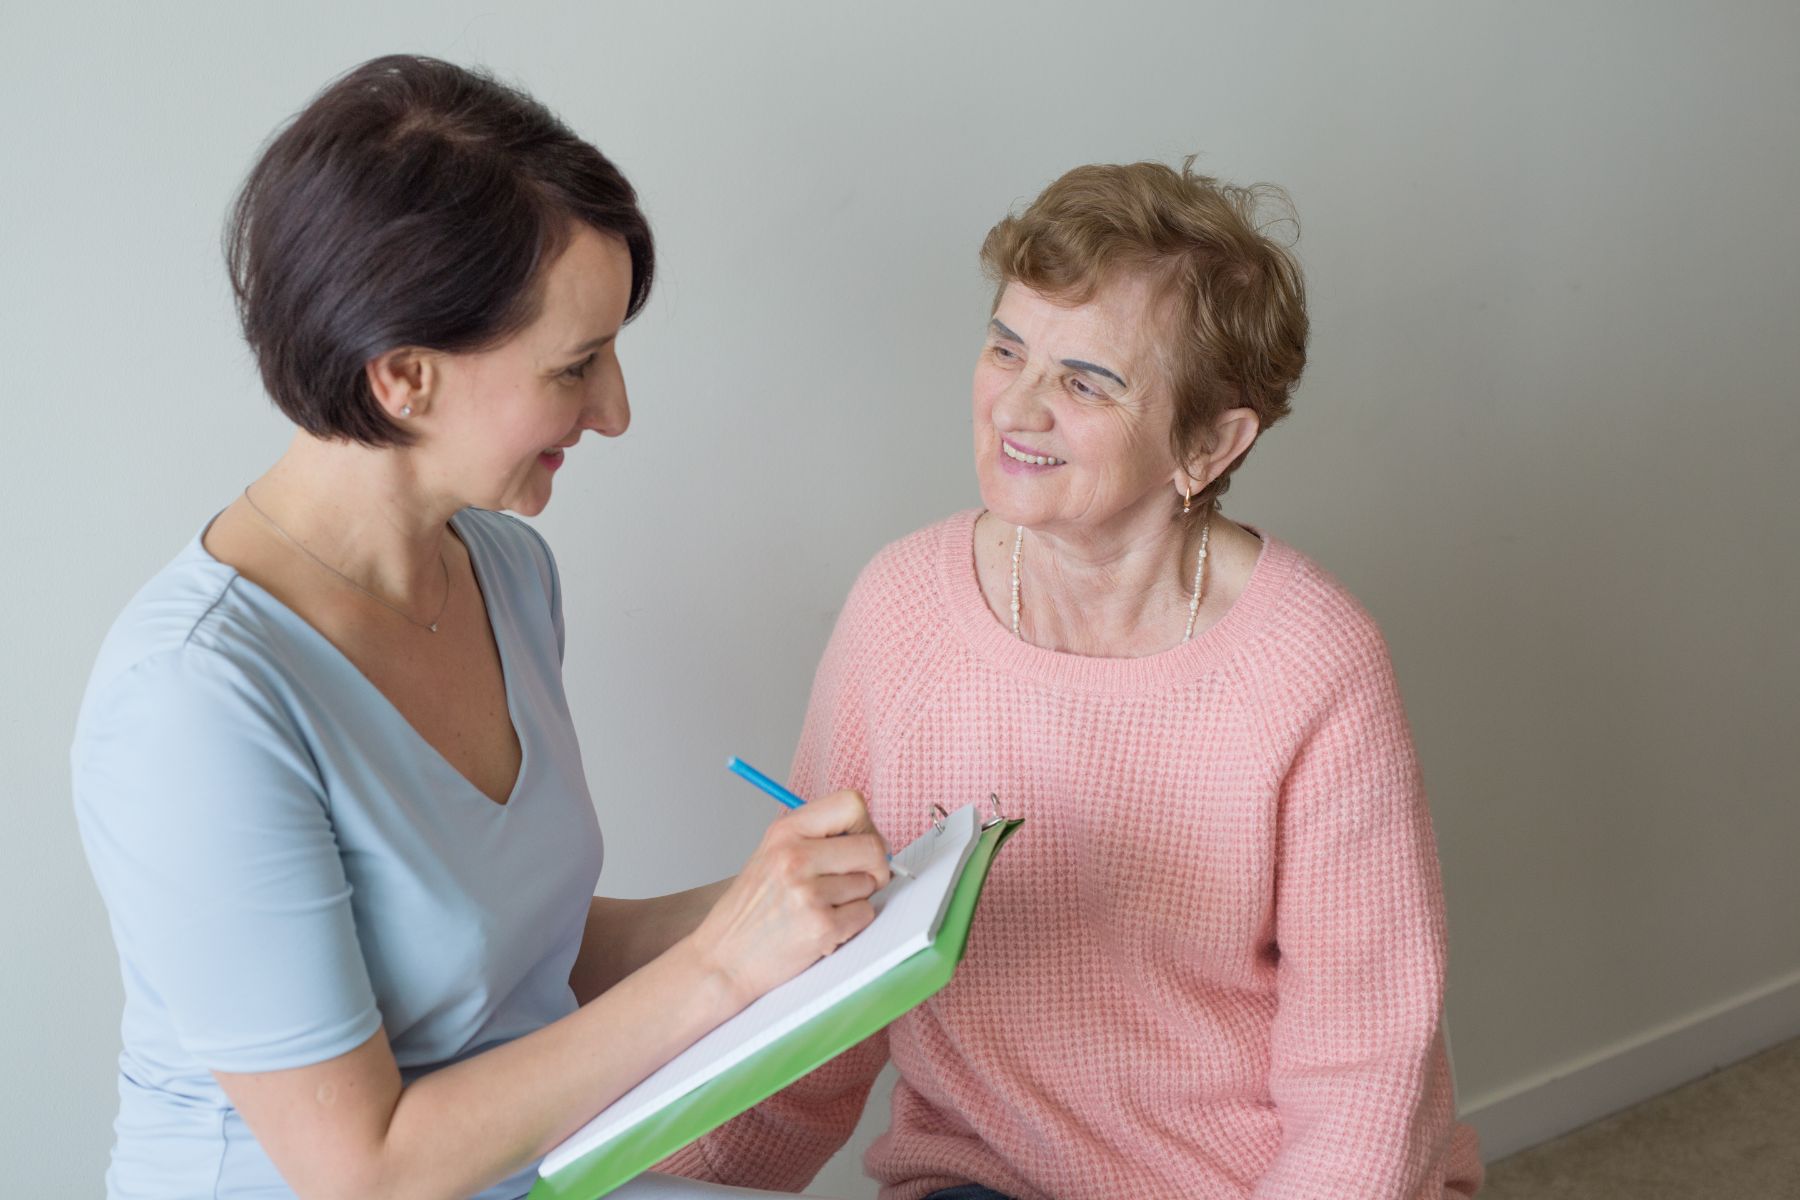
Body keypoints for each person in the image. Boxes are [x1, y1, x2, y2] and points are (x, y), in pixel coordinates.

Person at [71, 55, 894, 1200]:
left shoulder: (507, 573)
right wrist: (720, 965)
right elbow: (362, 1168)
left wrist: (795, 896)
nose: (615, 411)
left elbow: (506, 958)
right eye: (575, 366)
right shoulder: (193, 699)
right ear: (404, 377)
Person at [662, 161, 1486, 1198]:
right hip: (988, 1177)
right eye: (1006, 346)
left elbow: (1366, 1070)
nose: (1018, 404)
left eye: (1087, 380)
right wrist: (680, 1183)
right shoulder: (903, 608)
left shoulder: (1313, 664)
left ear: (1211, 441)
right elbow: (829, 976)